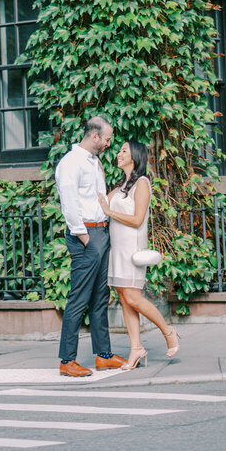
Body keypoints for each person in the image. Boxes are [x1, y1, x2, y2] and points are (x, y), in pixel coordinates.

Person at [55, 114, 127, 378]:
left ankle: (104, 355)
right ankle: (67, 360)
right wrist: (84, 236)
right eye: (107, 139)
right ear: (95, 136)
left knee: (99, 298)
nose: (109, 143)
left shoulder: (94, 161)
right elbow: (69, 202)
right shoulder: (71, 162)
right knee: (79, 298)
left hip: (101, 233)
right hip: (86, 236)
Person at [100, 140, 180, 369]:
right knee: (124, 299)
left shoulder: (142, 183)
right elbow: (101, 203)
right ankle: (136, 348)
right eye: (119, 150)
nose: (119, 153)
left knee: (133, 297)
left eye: (124, 150)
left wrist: (109, 212)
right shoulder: (120, 185)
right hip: (116, 250)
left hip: (132, 250)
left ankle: (168, 331)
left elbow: (137, 220)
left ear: (135, 156)